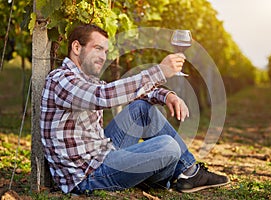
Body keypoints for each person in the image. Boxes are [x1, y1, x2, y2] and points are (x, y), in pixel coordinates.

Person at [40, 24, 230, 195]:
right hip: (87, 176)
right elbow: (103, 96)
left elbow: (131, 94)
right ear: (76, 48)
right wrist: (159, 71)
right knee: (168, 146)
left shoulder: (87, 81)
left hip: (102, 154)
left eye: (105, 51)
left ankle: (188, 172)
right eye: (97, 48)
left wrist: (166, 95)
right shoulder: (61, 80)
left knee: (141, 108)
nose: (103, 56)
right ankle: (163, 174)